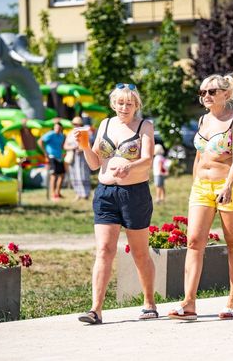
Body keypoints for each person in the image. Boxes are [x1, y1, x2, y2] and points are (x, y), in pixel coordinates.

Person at [76, 83, 158, 324]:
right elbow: (94, 163)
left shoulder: (144, 126)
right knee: (104, 250)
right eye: (120, 102)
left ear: (136, 105)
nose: (124, 107)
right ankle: (95, 309)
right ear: (113, 104)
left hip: (135, 195)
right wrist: (84, 146)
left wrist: (129, 166)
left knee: (140, 253)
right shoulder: (105, 124)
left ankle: (149, 303)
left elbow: (147, 159)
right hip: (105, 194)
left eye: (129, 103)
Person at [168, 74, 233, 321]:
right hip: (202, 187)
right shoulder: (203, 119)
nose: (206, 96)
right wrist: (195, 182)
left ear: (226, 93)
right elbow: (200, 155)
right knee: (194, 242)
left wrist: (229, 186)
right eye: (202, 92)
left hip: (228, 186)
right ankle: (189, 302)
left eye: (212, 91)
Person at [64, 116, 92, 200]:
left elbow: (89, 145)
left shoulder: (84, 132)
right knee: (74, 175)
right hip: (73, 157)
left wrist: (81, 148)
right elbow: (65, 146)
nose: (75, 125)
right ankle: (78, 194)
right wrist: (73, 148)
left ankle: (86, 194)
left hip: (82, 157)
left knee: (83, 174)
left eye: (77, 124)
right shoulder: (70, 133)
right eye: (74, 124)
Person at [38, 121, 66, 201]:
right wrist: (45, 152)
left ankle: (58, 193)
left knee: (62, 175)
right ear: (53, 128)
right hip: (51, 156)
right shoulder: (50, 134)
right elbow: (40, 141)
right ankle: (53, 194)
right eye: (56, 127)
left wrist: (63, 152)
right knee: (53, 175)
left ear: (61, 128)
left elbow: (61, 146)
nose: (57, 129)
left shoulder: (62, 136)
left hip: (59, 157)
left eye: (59, 128)